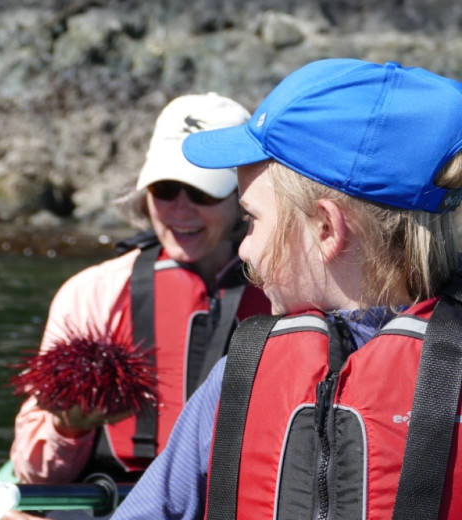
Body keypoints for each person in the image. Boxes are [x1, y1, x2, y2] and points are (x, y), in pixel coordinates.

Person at [113, 59, 462, 519]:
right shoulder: (235, 381)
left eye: (252, 221)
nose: (245, 249)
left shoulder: (240, 380)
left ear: (325, 228)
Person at [9, 94, 270, 490]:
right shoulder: (92, 294)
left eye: (202, 193)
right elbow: (36, 474)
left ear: (242, 197)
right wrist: (67, 428)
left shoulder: (286, 295)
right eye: (165, 189)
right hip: (115, 498)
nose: (180, 210)